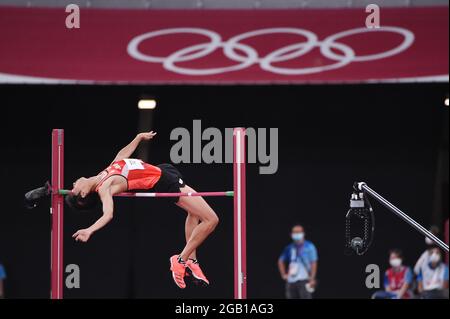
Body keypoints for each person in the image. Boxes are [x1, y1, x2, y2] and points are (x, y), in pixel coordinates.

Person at [25, 131, 219, 290]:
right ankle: (181, 259)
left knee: (194, 213)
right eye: (74, 187)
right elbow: (108, 213)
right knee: (211, 220)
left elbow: (121, 157)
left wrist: (138, 138)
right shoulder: (104, 188)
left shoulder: (103, 174)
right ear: (83, 194)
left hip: (162, 171)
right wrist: (90, 230)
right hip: (164, 182)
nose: (74, 182)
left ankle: (191, 260)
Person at [278, 225, 318, 299]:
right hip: (291, 280)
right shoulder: (289, 248)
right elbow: (281, 260)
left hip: (304, 279)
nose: (297, 234)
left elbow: (313, 263)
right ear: (291, 234)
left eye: (299, 232)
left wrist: (312, 278)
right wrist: (283, 274)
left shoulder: (309, 246)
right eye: (295, 232)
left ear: (303, 233)